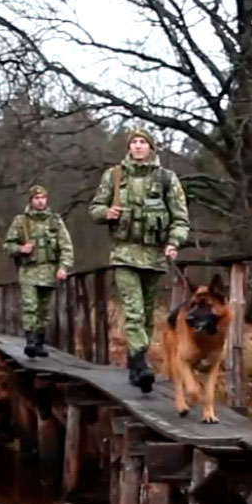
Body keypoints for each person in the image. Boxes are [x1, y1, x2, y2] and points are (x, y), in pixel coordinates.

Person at [90, 129, 189, 392]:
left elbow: (180, 217)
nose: (137, 146)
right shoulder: (114, 176)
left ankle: (135, 364)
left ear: (151, 147)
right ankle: (143, 363)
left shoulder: (166, 179)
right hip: (124, 253)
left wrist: (173, 242)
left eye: (142, 142)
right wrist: (107, 212)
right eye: (133, 142)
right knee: (133, 311)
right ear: (128, 147)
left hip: (155, 255)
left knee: (146, 314)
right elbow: (95, 209)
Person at [2, 184, 74, 358]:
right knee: (30, 306)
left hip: (49, 271)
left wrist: (63, 267)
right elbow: (6, 246)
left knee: (44, 310)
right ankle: (30, 341)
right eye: (37, 198)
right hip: (29, 271)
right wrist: (20, 249)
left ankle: (40, 342)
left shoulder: (55, 221)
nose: (40, 202)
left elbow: (66, 246)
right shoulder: (21, 222)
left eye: (43, 198)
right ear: (31, 200)